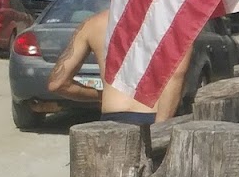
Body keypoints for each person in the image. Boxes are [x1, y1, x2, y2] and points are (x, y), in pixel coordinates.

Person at [47, 9, 194, 127]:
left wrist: (101, 95)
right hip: (155, 115)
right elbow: (176, 74)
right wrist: (161, 129)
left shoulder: (93, 24)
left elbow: (57, 84)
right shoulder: (172, 22)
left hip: (112, 119)